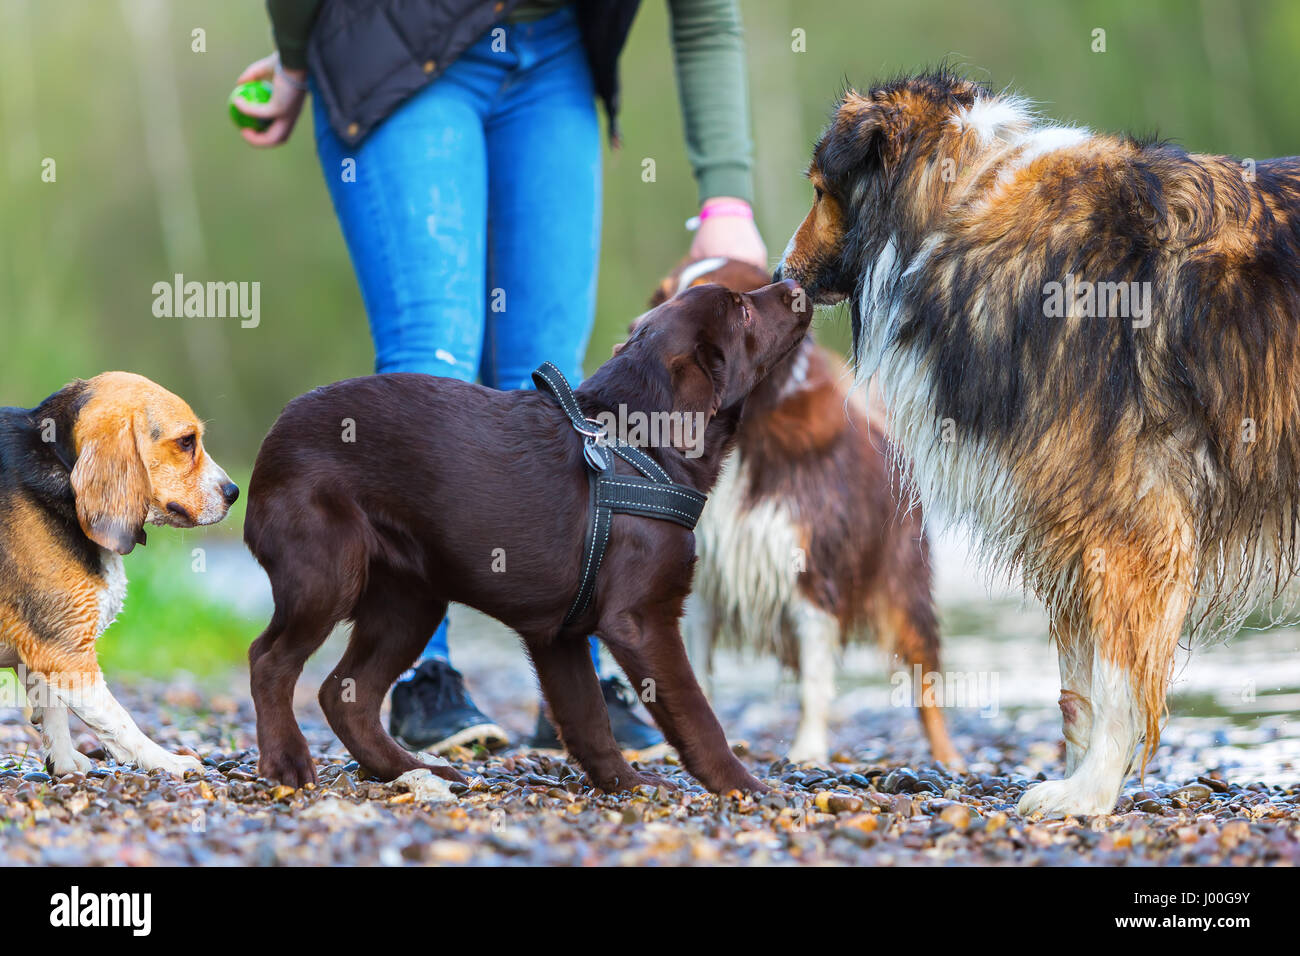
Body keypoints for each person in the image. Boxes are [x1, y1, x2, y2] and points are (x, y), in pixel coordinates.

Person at [235, 0, 766, 755]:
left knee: (554, 381)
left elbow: (706, 14)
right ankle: (421, 675)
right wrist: (293, 59)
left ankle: (576, 678)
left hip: (555, 51)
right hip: (396, 35)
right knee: (434, 351)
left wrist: (727, 199)